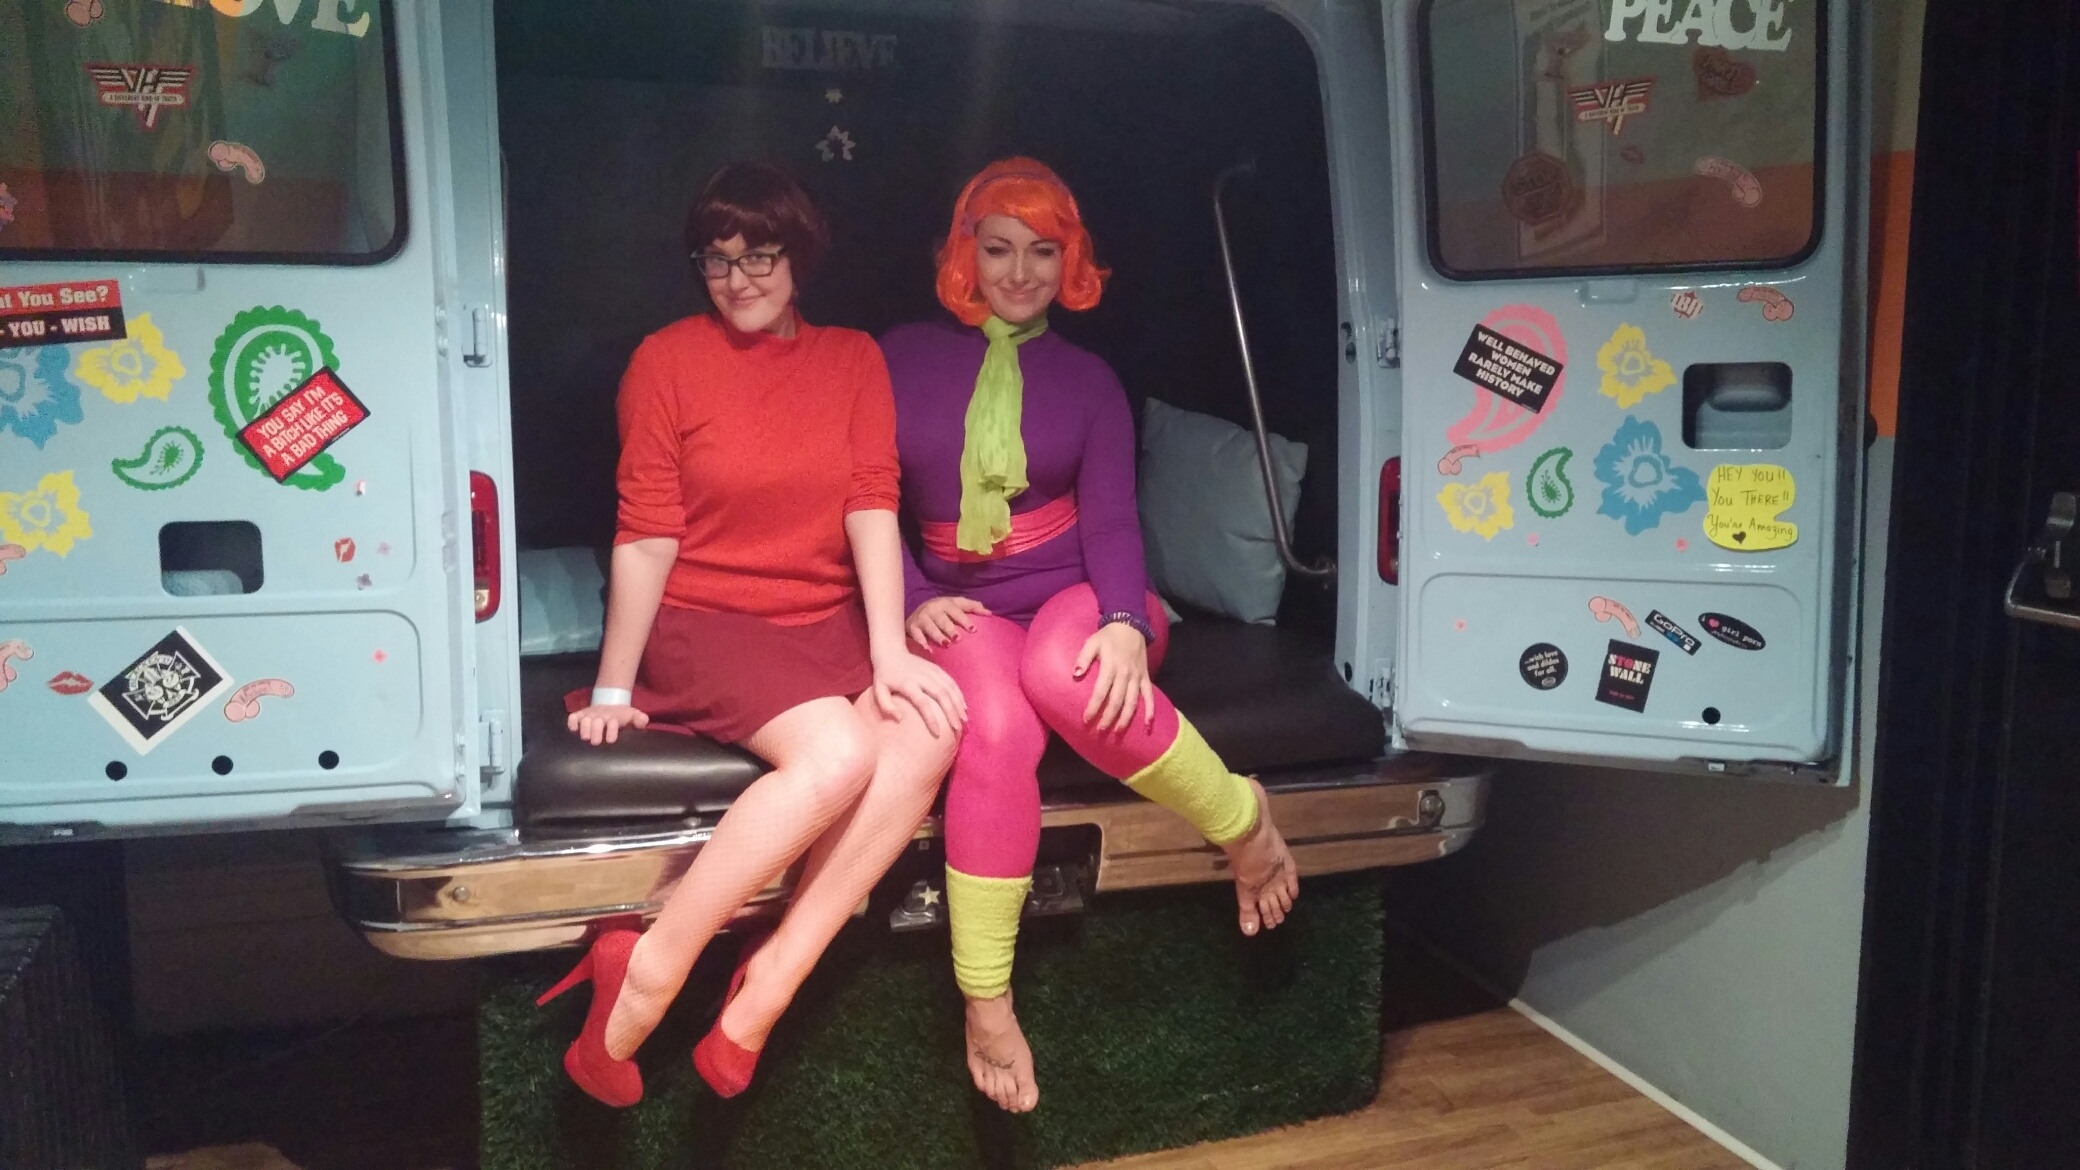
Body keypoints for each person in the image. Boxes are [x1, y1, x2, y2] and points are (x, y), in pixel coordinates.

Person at [539, 161, 965, 1108]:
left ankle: (770, 981)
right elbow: (646, 533)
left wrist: (890, 651)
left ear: (799, 257)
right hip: (708, 621)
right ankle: (649, 971)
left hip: (825, 620)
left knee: (930, 725)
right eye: (716, 259)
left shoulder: (852, 358)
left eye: (758, 256)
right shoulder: (665, 360)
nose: (736, 279)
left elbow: (871, 503)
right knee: (839, 754)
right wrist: (613, 687)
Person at [882, 158, 1300, 1114]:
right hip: (959, 605)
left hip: (1085, 592)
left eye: (1044, 251)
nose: (1020, 272)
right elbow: (860, 496)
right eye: (999, 249)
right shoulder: (898, 356)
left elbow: (1112, 520)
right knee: (993, 729)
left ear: (1069, 260)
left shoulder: (1088, 377)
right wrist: (909, 593)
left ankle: (1243, 822)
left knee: (1066, 675)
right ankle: (987, 1002)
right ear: (963, 252)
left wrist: (1121, 621)